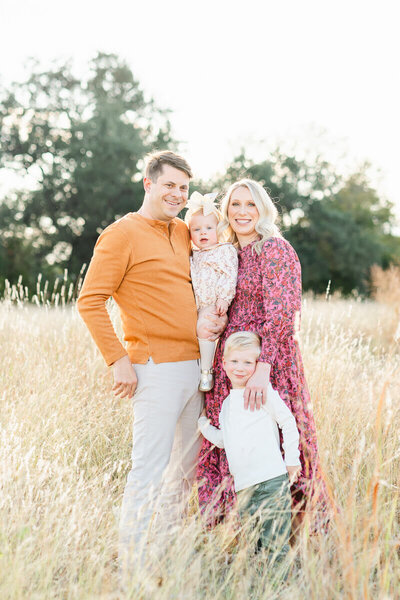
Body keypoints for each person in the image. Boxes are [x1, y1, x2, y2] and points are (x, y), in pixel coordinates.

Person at [77, 151, 226, 567]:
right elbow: (90, 301)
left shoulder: (183, 231)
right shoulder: (121, 234)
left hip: (196, 371)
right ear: (148, 184)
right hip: (154, 370)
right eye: (169, 185)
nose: (177, 194)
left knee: (183, 475)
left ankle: (166, 560)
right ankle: (132, 567)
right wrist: (117, 360)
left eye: (183, 187)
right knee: (147, 470)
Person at [197, 178, 328, 529]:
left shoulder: (274, 249)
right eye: (235, 204)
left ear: (262, 210)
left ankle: (296, 537)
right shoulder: (228, 252)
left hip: (269, 365)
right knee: (234, 447)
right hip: (232, 368)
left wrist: (263, 368)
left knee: (278, 443)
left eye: (250, 204)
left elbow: (284, 314)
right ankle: (233, 538)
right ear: (225, 210)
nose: (242, 212)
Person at [198, 331, 300, 567]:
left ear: (257, 365)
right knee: (253, 543)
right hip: (244, 486)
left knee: (276, 543)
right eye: (234, 361)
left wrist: (292, 459)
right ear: (223, 364)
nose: (240, 368)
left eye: (247, 362)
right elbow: (226, 440)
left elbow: (288, 421)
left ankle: (281, 587)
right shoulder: (225, 404)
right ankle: (258, 586)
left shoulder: (263, 393)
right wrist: (203, 425)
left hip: (271, 479)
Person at [185, 191, 238, 391]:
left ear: (219, 230)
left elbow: (230, 275)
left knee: (206, 328)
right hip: (199, 306)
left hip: (215, 304)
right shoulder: (194, 254)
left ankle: (206, 372)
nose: (203, 233)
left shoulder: (224, 250)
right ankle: (199, 368)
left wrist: (224, 298)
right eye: (196, 229)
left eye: (209, 228)